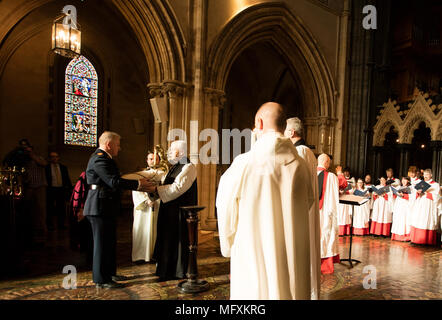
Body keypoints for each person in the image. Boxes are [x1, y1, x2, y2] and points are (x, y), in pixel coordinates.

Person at [217, 102, 313, 300]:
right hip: (292, 252)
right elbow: (309, 201)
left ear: (258, 123)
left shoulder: (244, 163)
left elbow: (225, 207)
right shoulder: (302, 165)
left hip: (252, 251)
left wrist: (227, 245)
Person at [83, 131, 150, 289]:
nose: (119, 148)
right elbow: (113, 181)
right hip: (98, 207)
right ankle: (101, 279)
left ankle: (110, 273)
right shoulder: (99, 158)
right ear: (108, 144)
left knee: (109, 242)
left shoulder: (106, 158)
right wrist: (139, 184)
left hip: (106, 206)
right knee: (101, 244)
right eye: (118, 145)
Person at [146, 140, 198, 281]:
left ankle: (177, 271)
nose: (168, 152)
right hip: (168, 210)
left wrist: (156, 190)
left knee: (176, 240)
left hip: (179, 213)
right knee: (166, 240)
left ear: (180, 152)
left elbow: (178, 188)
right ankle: (165, 270)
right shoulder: (173, 167)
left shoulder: (189, 167)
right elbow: (166, 186)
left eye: (171, 150)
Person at [284, 117, 320, 300]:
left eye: (285, 130)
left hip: (303, 210)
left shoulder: (300, 151)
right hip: (307, 208)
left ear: (292, 132)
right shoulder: (307, 151)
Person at [131, 152, 166, 263]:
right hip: (144, 208)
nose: (152, 161)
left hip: (158, 204)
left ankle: (155, 254)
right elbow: (136, 188)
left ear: (159, 160)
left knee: (157, 229)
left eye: (155, 159)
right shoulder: (141, 174)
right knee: (143, 230)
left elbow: (166, 188)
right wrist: (146, 200)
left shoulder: (163, 174)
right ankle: (141, 256)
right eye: (150, 159)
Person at [317, 154, 341, 274]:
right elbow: (342, 184)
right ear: (327, 163)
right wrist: (340, 173)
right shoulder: (331, 176)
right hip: (325, 210)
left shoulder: (309, 174)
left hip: (311, 212)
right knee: (326, 234)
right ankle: (324, 266)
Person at [410, 169, 440, 245]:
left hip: (428, 205)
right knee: (418, 220)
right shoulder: (420, 183)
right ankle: (416, 240)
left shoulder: (435, 185)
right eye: (424, 175)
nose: (425, 176)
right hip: (420, 204)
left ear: (431, 175)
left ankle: (426, 240)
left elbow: (437, 197)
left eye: (427, 174)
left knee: (426, 220)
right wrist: (417, 192)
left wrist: (426, 193)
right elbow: (413, 194)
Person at [45, 152, 72, 230]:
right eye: (52, 157)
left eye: (56, 157)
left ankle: (61, 224)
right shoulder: (47, 168)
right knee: (49, 207)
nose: (54, 158)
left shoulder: (63, 167)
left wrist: (70, 188)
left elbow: (67, 178)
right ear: (50, 158)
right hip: (51, 189)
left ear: (58, 158)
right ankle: (50, 225)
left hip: (61, 189)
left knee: (61, 207)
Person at [391, 177, 412, 242]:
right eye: (403, 180)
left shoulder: (410, 188)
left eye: (405, 180)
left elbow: (412, 198)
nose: (403, 181)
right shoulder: (399, 187)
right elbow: (395, 196)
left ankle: (404, 237)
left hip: (405, 205)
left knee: (404, 219)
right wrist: (396, 193)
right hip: (398, 204)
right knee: (398, 219)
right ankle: (396, 236)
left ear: (408, 181)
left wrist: (404, 195)